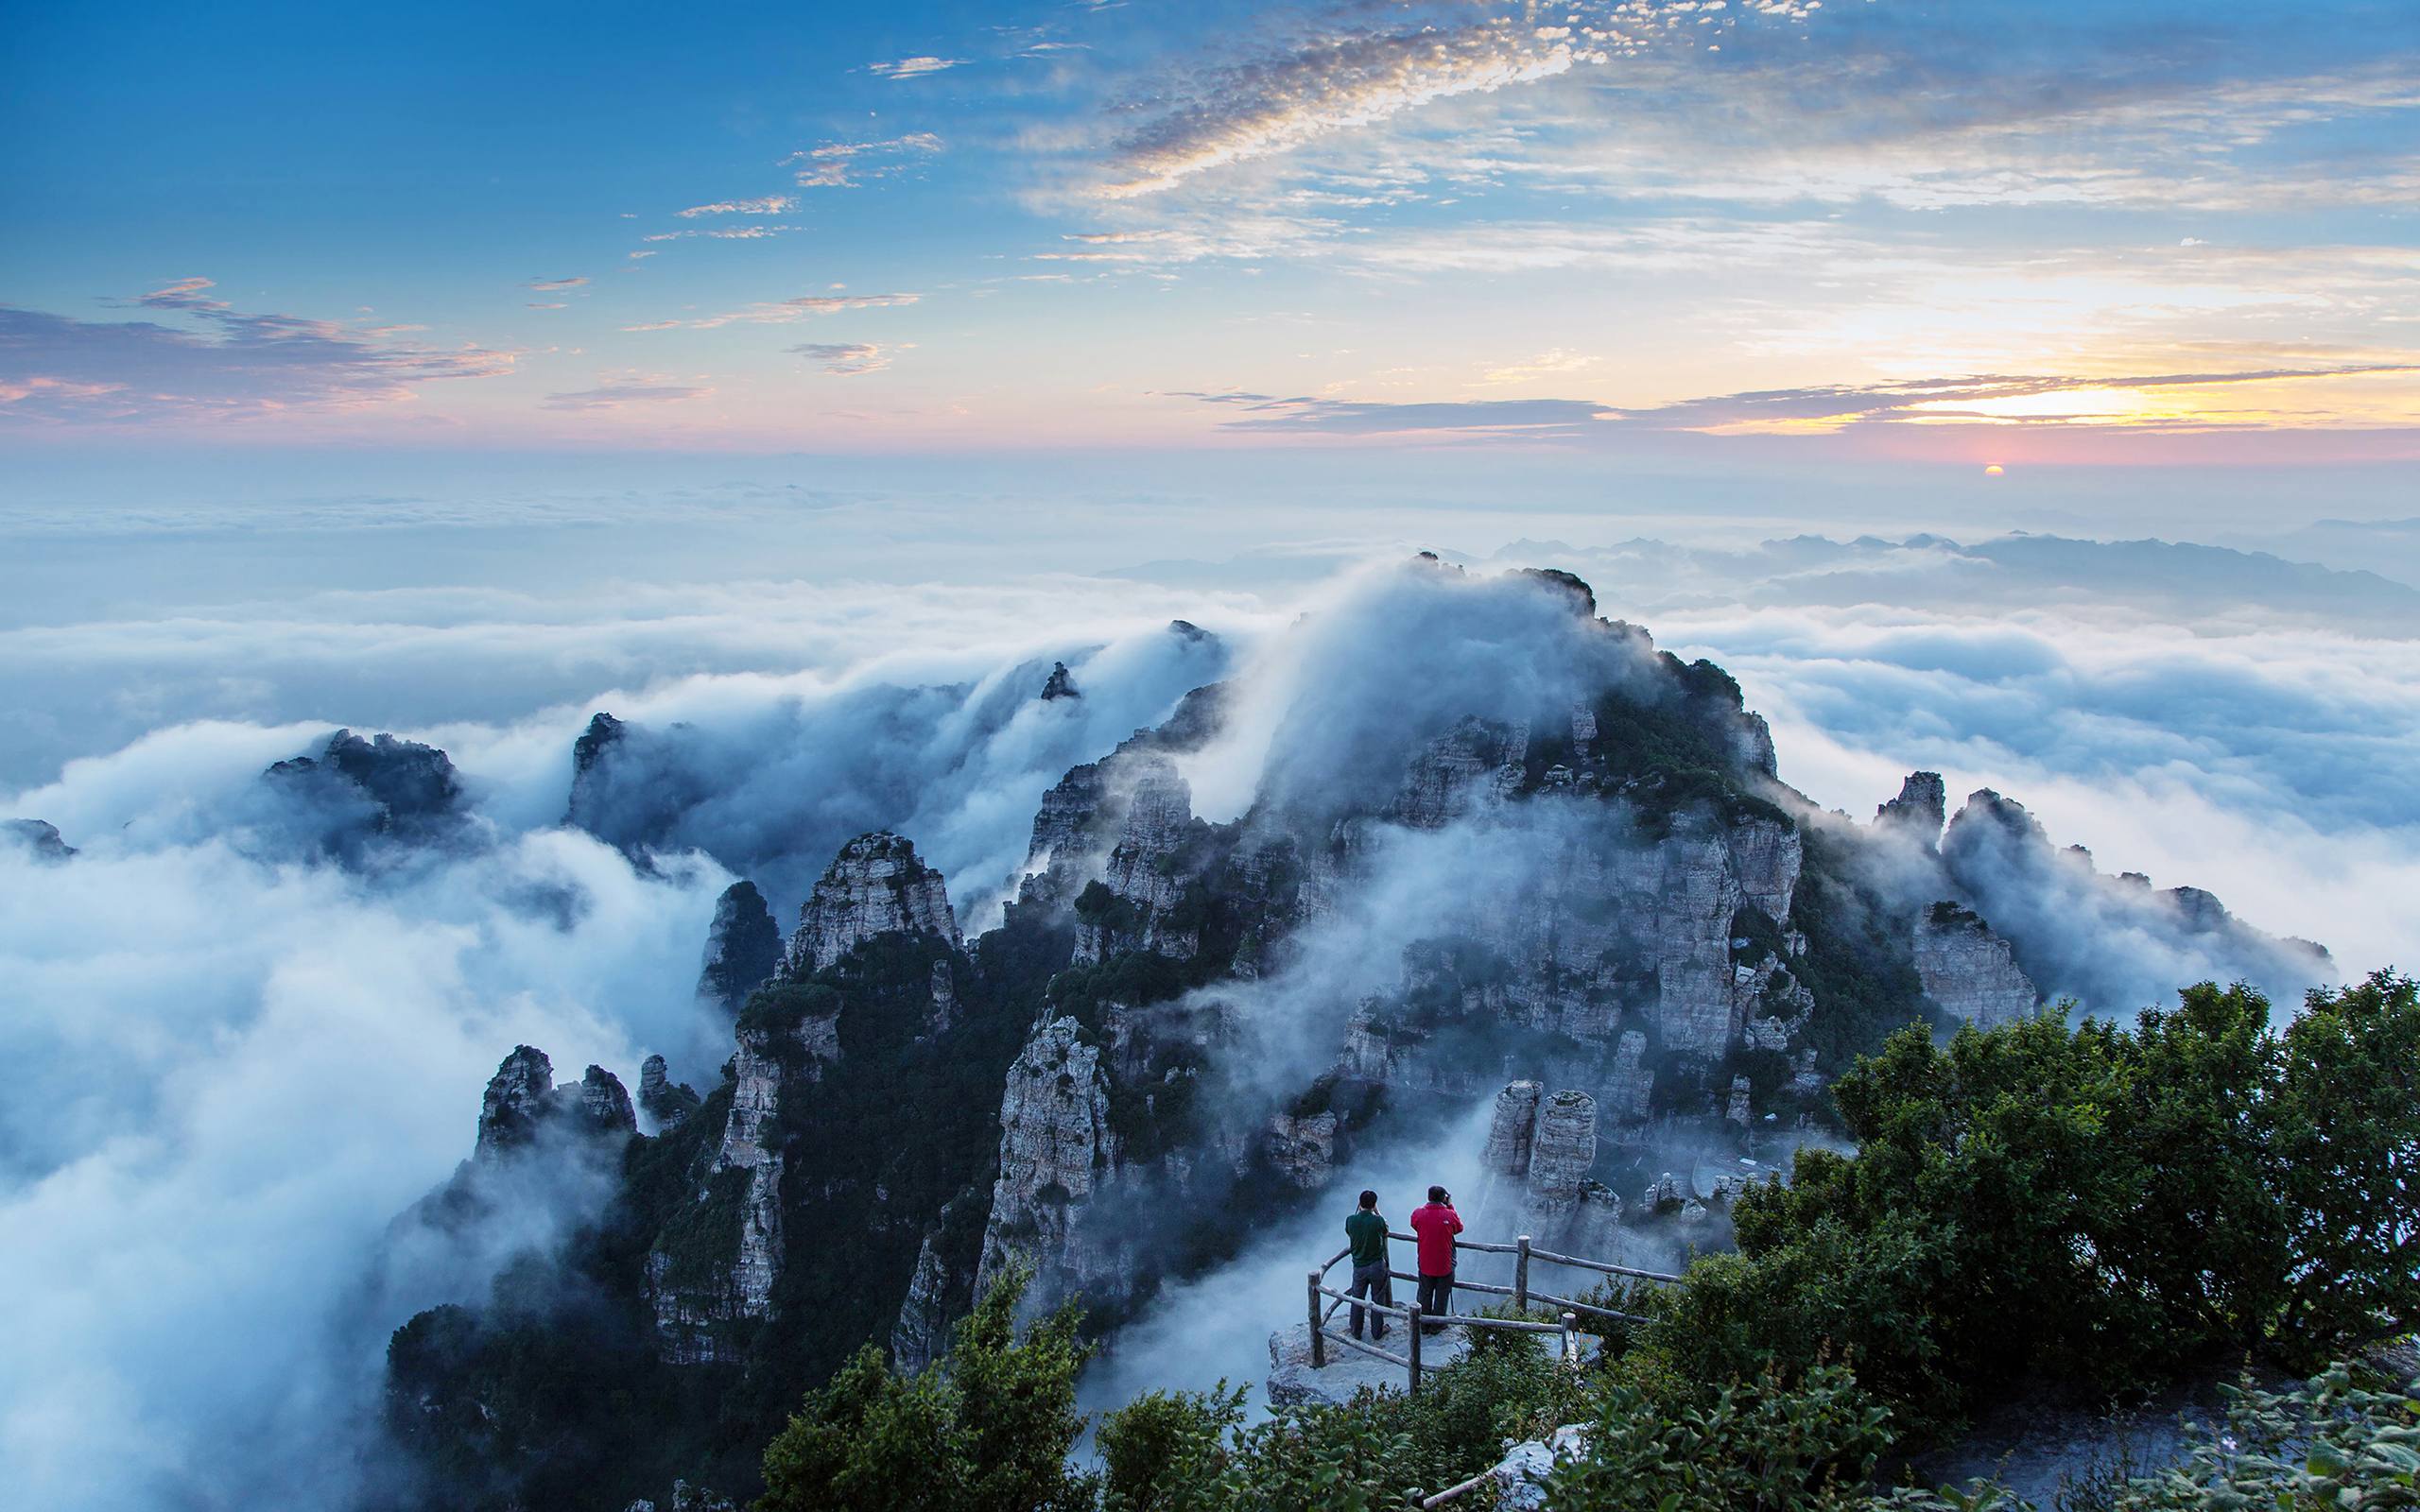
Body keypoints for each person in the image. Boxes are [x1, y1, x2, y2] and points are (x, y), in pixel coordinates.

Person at [1409, 1184, 1463, 1334]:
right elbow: (1458, 1228)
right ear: (1443, 1198)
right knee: (1442, 1294)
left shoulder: (1418, 1213)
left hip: (1425, 1262)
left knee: (1425, 1293)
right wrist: (1450, 1206)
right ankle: (1437, 1325)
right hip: (1445, 1264)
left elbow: (1414, 1223)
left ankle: (1423, 1323)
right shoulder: (1449, 1215)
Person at [1342, 1189, 1392, 1341]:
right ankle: (1377, 1331)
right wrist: (1377, 1212)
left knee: (1357, 1298)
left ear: (1360, 1203)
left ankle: (1356, 1330)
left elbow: (1349, 1232)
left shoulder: (1350, 1220)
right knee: (1377, 1298)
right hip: (1377, 1265)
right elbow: (1386, 1231)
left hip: (1359, 1266)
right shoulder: (1378, 1221)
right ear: (1374, 1204)